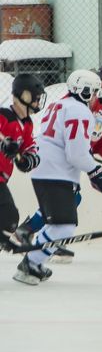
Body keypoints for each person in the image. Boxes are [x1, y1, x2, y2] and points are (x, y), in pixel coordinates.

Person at [14, 62, 102, 263]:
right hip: (64, 160)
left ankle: (45, 238)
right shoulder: (76, 103)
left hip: (71, 159)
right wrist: (93, 169)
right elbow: (72, 142)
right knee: (71, 198)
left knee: (74, 198)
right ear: (97, 81)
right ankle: (32, 233)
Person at [0, 74, 45, 251]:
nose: (38, 101)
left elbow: (30, 146)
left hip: (2, 179)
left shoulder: (27, 124)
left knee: (9, 219)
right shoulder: (4, 115)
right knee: (8, 215)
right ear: (25, 95)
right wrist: (4, 142)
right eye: (37, 97)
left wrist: (30, 159)